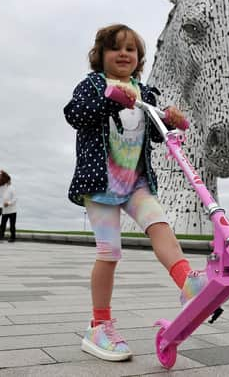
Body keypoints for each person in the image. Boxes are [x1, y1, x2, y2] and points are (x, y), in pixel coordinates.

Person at [63, 24, 203, 362]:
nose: (124, 54)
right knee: (109, 253)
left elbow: (157, 132)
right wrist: (111, 101)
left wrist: (170, 119)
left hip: (136, 182)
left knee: (160, 225)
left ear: (139, 58)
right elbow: (74, 115)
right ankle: (99, 325)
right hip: (101, 183)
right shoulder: (93, 85)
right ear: (101, 56)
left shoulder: (146, 92)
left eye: (131, 49)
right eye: (115, 48)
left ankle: (188, 283)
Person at [0, 171, 17, 243]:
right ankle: (1, 236)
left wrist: (8, 203)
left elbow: (15, 199)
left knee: (12, 225)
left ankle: (13, 238)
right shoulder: (4, 189)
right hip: (5, 211)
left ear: (9, 181)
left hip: (12, 211)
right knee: (3, 225)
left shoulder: (12, 188)